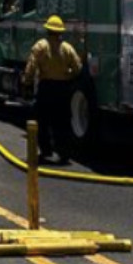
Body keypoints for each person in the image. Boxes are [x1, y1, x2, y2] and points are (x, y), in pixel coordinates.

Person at [22, 15, 83, 163]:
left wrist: (27, 83)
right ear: (61, 32)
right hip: (63, 89)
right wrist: (68, 75)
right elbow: (77, 68)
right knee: (62, 122)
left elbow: (31, 67)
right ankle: (64, 153)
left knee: (41, 121)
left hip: (46, 88)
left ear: (48, 30)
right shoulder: (68, 48)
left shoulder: (40, 46)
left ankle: (46, 151)